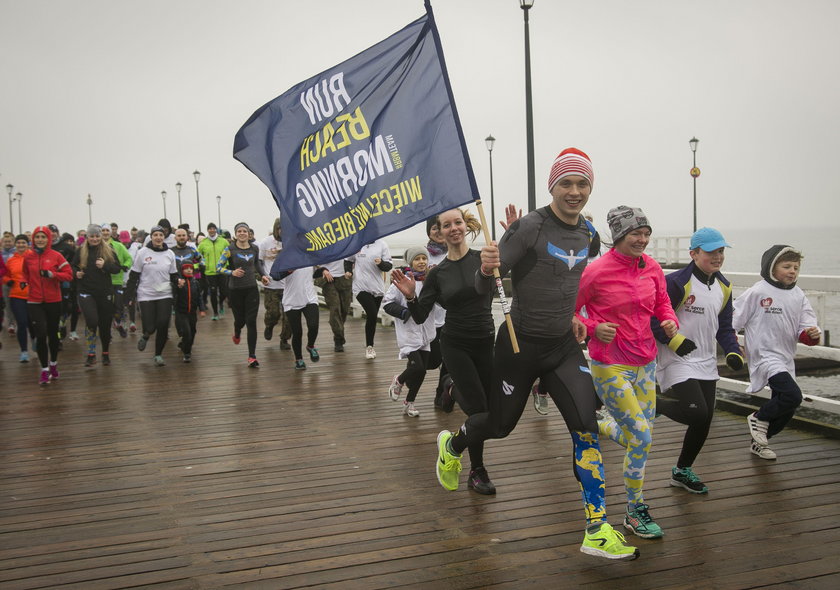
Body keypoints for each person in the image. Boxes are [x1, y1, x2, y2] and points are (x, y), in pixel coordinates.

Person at [431, 149, 640, 560]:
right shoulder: (528, 228)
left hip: (562, 347)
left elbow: (573, 281)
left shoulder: (590, 235)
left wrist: (579, 315)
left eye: (582, 184)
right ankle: (452, 446)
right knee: (500, 425)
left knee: (585, 427)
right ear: (552, 186)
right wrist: (487, 267)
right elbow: (481, 285)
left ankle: (597, 527)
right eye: (566, 183)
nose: (574, 192)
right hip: (517, 346)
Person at [575, 205, 678, 541]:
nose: (643, 239)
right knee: (643, 438)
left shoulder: (652, 268)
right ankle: (634, 511)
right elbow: (570, 311)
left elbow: (662, 302)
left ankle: (602, 424)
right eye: (636, 233)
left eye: (646, 233)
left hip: (646, 363)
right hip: (609, 364)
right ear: (618, 236)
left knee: (641, 440)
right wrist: (593, 327)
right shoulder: (596, 272)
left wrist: (669, 321)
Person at [391, 208, 497, 497]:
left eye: (457, 222)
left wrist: (511, 236)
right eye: (446, 225)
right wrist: (412, 296)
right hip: (456, 343)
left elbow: (518, 269)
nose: (453, 228)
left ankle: (449, 391)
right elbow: (421, 314)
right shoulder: (438, 274)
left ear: (465, 225)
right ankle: (477, 470)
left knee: (492, 411)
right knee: (478, 411)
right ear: (437, 232)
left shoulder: (483, 258)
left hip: (487, 340)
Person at [652, 227, 744, 493]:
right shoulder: (677, 282)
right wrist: (674, 340)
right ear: (693, 253)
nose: (717, 257)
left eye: (721, 251)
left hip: (705, 361)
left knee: (704, 420)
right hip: (676, 358)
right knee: (696, 411)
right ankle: (652, 402)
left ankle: (682, 471)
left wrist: (732, 350)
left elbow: (725, 327)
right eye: (711, 252)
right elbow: (653, 318)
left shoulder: (724, 286)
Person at [734, 245, 821, 459]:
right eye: (787, 266)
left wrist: (811, 334)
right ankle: (758, 416)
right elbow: (733, 319)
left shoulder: (799, 295)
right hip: (764, 355)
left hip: (785, 357)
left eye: (796, 268)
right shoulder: (758, 291)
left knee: (788, 407)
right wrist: (732, 343)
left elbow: (805, 327)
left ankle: (759, 443)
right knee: (793, 395)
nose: (792, 271)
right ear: (772, 268)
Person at [383, 246, 436, 417]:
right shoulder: (402, 280)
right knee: (418, 367)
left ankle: (409, 403)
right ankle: (398, 381)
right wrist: (405, 312)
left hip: (426, 332)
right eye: (417, 259)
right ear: (410, 261)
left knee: (422, 371)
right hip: (408, 332)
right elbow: (387, 303)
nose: (422, 262)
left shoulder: (430, 280)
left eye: (424, 258)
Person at [22, 226, 73, 384]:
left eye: (43, 237)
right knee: (41, 334)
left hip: (53, 301)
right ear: (33, 240)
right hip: (34, 301)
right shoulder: (28, 257)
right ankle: (44, 370)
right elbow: (25, 273)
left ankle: (53, 365)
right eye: (37, 237)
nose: (40, 240)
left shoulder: (56, 256)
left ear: (48, 239)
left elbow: (69, 275)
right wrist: (24, 282)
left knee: (52, 334)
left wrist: (53, 275)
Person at [217, 222, 270, 368]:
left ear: (249, 234)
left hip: (252, 288)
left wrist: (263, 276)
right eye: (239, 231)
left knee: (251, 321)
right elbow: (219, 267)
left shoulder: (254, 248)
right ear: (235, 234)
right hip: (235, 290)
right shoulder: (229, 249)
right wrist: (231, 272)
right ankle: (237, 330)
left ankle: (252, 356)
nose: (242, 233)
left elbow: (258, 265)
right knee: (240, 320)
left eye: (244, 231)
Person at [126, 225, 178, 366]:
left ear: (164, 237)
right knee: (150, 326)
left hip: (165, 293)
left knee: (162, 324)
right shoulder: (143, 252)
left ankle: (158, 354)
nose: (158, 238)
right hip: (146, 294)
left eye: (161, 235)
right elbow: (134, 275)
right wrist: (129, 295)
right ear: (151, 237)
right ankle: (146, 335)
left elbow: (174, 274)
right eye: (155, 235)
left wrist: (178, 282)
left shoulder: (169, 254)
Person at [71, 225, 122, 366]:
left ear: (101, 237)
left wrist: (105, 265)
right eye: (91, 236)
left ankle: (105, 353)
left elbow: (117, 268)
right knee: (92, 321)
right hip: (86, 291)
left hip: (104, 292)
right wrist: (76, 273)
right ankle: (91, 352)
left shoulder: (108, 250)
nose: (94, 239)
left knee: (105, 325)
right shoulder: (81, 250)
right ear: (87, 237)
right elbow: (73, 266)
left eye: (97, 236)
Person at [423, 216, 453, 412]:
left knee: (450, 359)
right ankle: (412, 371)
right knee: (433, 360)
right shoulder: (422, 255)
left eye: (440, 227)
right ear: (429, 231)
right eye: (434, 228)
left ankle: (442, 393)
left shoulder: (454, 251)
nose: (438, 231)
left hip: (452, 316)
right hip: (429, 318)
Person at [348, 239, 392, 359]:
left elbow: (388, 266)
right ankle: (369, 347)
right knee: (372, 314)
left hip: (377, 287)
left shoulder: (382, 244)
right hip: (360, 287)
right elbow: (348, 260)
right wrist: (348, 272)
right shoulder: (357, 243)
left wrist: (381, 263)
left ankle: (369, 344)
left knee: (372, 318)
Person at [276, 265, 320, 370]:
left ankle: (310, 346)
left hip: (309, 298)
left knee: (313, 325)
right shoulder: (287, 258)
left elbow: (314, 273)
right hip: (292, 300)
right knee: (297, 332)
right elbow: (275, 276)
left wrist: (324, 270)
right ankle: (299, 359)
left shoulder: (309, 255)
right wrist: (288, 271)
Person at [258, 218, 292, 350]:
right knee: (273, 313)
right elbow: (259, 261)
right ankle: (269, 325)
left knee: (289, 316)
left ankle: (284, 339)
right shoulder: (266, 242)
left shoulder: (291, 242)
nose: (282, 231)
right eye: (280, 229)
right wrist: (263, 275)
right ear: (276, 229)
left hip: (288, 285)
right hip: (271, 285)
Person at [315, 255, 353, 353]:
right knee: (335, 309)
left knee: (344, 310)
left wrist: (350, 270)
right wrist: (323, 270)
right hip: (328, 279)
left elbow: (352, 257)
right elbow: (313, 258)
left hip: (344, 278)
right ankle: (338, 339)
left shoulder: (345, 240)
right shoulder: (322, 241)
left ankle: (338, 333)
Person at [100, 223, 133, 338]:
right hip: (103, 283)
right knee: (106, 309)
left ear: (110, 232)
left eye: (107, 230)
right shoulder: (96, 246)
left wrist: (125, 266)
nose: (105, 232)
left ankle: (118, 324)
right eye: (103, 230)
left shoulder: (118, 245)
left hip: (118, 281)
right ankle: (107, 334)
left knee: (119, 307)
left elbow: (129, 258)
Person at [2, 235, 32, 361]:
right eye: (18, 243)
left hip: (33, 295)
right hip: (17, 295)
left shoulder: (34, 257)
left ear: (27, 244)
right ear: (15, 244)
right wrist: (8, 281)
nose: (20, 245)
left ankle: (35, 341)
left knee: (33, 324)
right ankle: (24, 351)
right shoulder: (11, 260)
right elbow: (4, 275)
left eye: (23, 243)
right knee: (22, 323)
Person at [197, 222, 229, 320]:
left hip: (222, 271)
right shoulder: (203, 243)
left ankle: (221, 303)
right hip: (210, 272)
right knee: (213, 292)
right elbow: (197, 256)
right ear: (207, 230)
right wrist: (201, 264)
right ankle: (215, 313)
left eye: (213, 228)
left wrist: (227, 265)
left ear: (216, 230)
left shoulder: (223, 241)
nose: (211, 230)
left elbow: (229, 254)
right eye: (209, 228)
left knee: (224, 291)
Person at [173, 262, 200, 362]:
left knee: (193, 331)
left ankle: (185, 345)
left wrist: (201, 309)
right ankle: (187, 353)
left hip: (192, 312)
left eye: (191, 268)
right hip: (181, 312)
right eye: (186, 268)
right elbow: (173, 294)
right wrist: (178, 287)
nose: (189, 270)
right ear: (181, 270)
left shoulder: (196, 282)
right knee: (187, 332)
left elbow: (199, 297)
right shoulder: (179, 282)